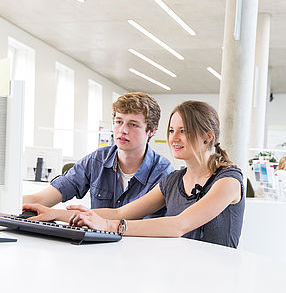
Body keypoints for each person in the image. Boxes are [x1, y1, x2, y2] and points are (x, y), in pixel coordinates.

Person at [24, 100, 245, 248]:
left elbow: (179, 225)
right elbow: (121, 212)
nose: (174, 138)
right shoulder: (173, 181)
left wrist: (109, 227)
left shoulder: (228, 180)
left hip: (217, 278)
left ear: (207, 137)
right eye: (171, 131)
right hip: (179, 272)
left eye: (183, 131)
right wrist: (55, 215)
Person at [23, 92, 174, 218]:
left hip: (141, 248)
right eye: (118, 121)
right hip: (98, 248)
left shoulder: (163, 172)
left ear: (152, 131)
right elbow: (41, 199)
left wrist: (57, 214)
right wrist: (9, 202)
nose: (123, 130)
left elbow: (121, 216)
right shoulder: (97, 160)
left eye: (133, 124)